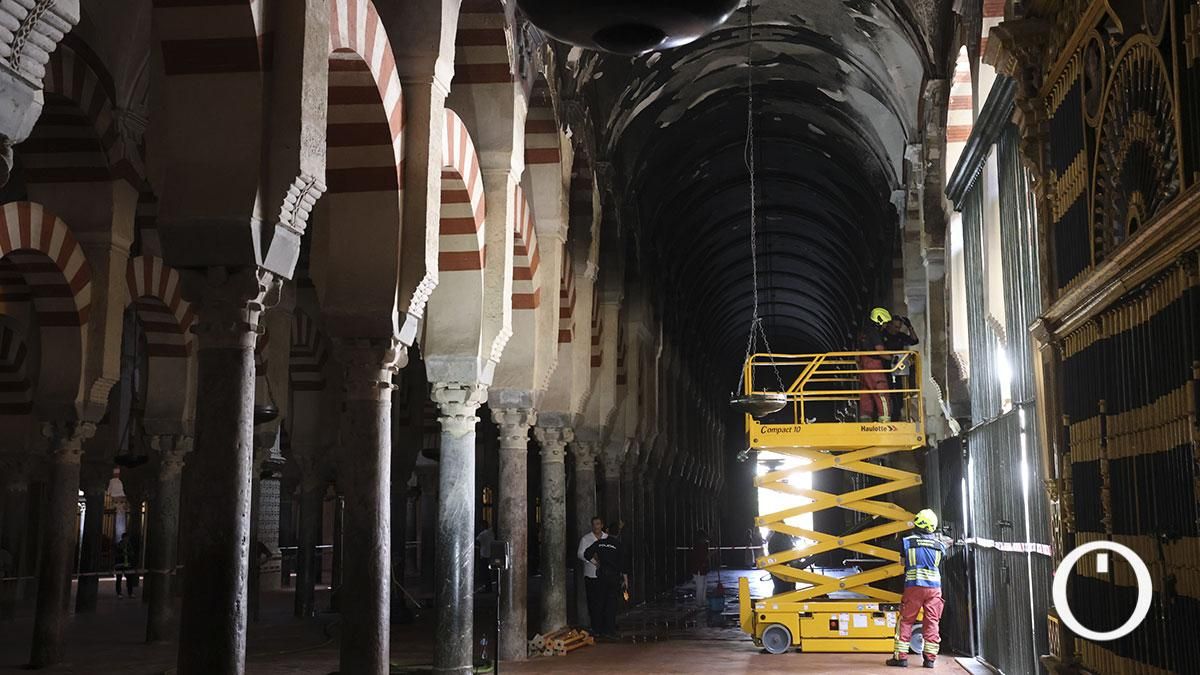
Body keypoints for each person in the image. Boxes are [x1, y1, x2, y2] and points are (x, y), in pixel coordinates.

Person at [887, 508, 952, 669]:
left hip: (914, 586)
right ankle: (930, 660)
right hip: (934, 588)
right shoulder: (940, 545)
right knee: (932, 622)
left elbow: (903, 563)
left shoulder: (907, 542)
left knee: (906, 620)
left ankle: (901, 658)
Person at [584, 522, 628, 640]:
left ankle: (598, 629)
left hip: (601, 576)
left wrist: (596, 564)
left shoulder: (600, 543)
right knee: (611, 604)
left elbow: (586, 553)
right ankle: (610, 630)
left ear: (607, 532)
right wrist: (625, 580)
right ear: (618, 533)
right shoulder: (619, 545)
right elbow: (623, 565)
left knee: (599, 603)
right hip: (613, 578)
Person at [857, 307, 892, 422]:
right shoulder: (874, 332)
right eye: (885, 323)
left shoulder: (863, 332)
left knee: (866, 392)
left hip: (863, 365)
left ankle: (865, 419)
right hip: (873, 365)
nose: (886, 326)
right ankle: (885, 420)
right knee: (881, 391)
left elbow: (857, 352)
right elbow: (880, 351)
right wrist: (895, 359)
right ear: (880, 321)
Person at [882, 314, 919, 420]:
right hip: (884, 368)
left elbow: (915, 340)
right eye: (895, 326)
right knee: (887, 391)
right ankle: (887, 414)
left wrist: (910, 327)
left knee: (899, 392)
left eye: (898, 327)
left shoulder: (900, 336)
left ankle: (897, 414)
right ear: (889, 325)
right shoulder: (882, 334)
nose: (896, 329)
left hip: (899, 368)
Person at [577, 516, 607, 630]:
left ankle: (604, 624)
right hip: (591, 574)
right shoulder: (586, 539)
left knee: (604, 600)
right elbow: (580, 554)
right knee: (593, 600)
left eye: (598, 524)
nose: (596, 526)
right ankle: (595, 625)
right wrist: (593, 561)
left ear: (602, 525)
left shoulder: (607, 537)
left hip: (605, 575)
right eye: (594, 524)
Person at [688, 529, 710, 607]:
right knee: (700, 586)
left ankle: (702, 600)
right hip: (699, 569)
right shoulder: (698, 546)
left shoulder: (703, 545)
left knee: (704, 586)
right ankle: (699, 602)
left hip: (703, 568)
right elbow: (699, 557)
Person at [114, 532, 138, 598]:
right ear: (123, 538)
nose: (127, 540)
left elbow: (132, 554)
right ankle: (119, 593)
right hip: (119, 565)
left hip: (127, 565)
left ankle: (130, 593)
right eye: (126, 538)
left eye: (128, 538)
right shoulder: (118, 545)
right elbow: (116, 555)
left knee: (129, 579)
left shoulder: (129, 546)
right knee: (119, 579)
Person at [475, 519, 495, 593]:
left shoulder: (482, 534)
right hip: (491, 554)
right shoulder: (491, 533)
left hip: (484, 555)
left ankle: (487, 588)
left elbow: (477, 541)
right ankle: (489, 587)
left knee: (485, 573)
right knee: (489, 573)